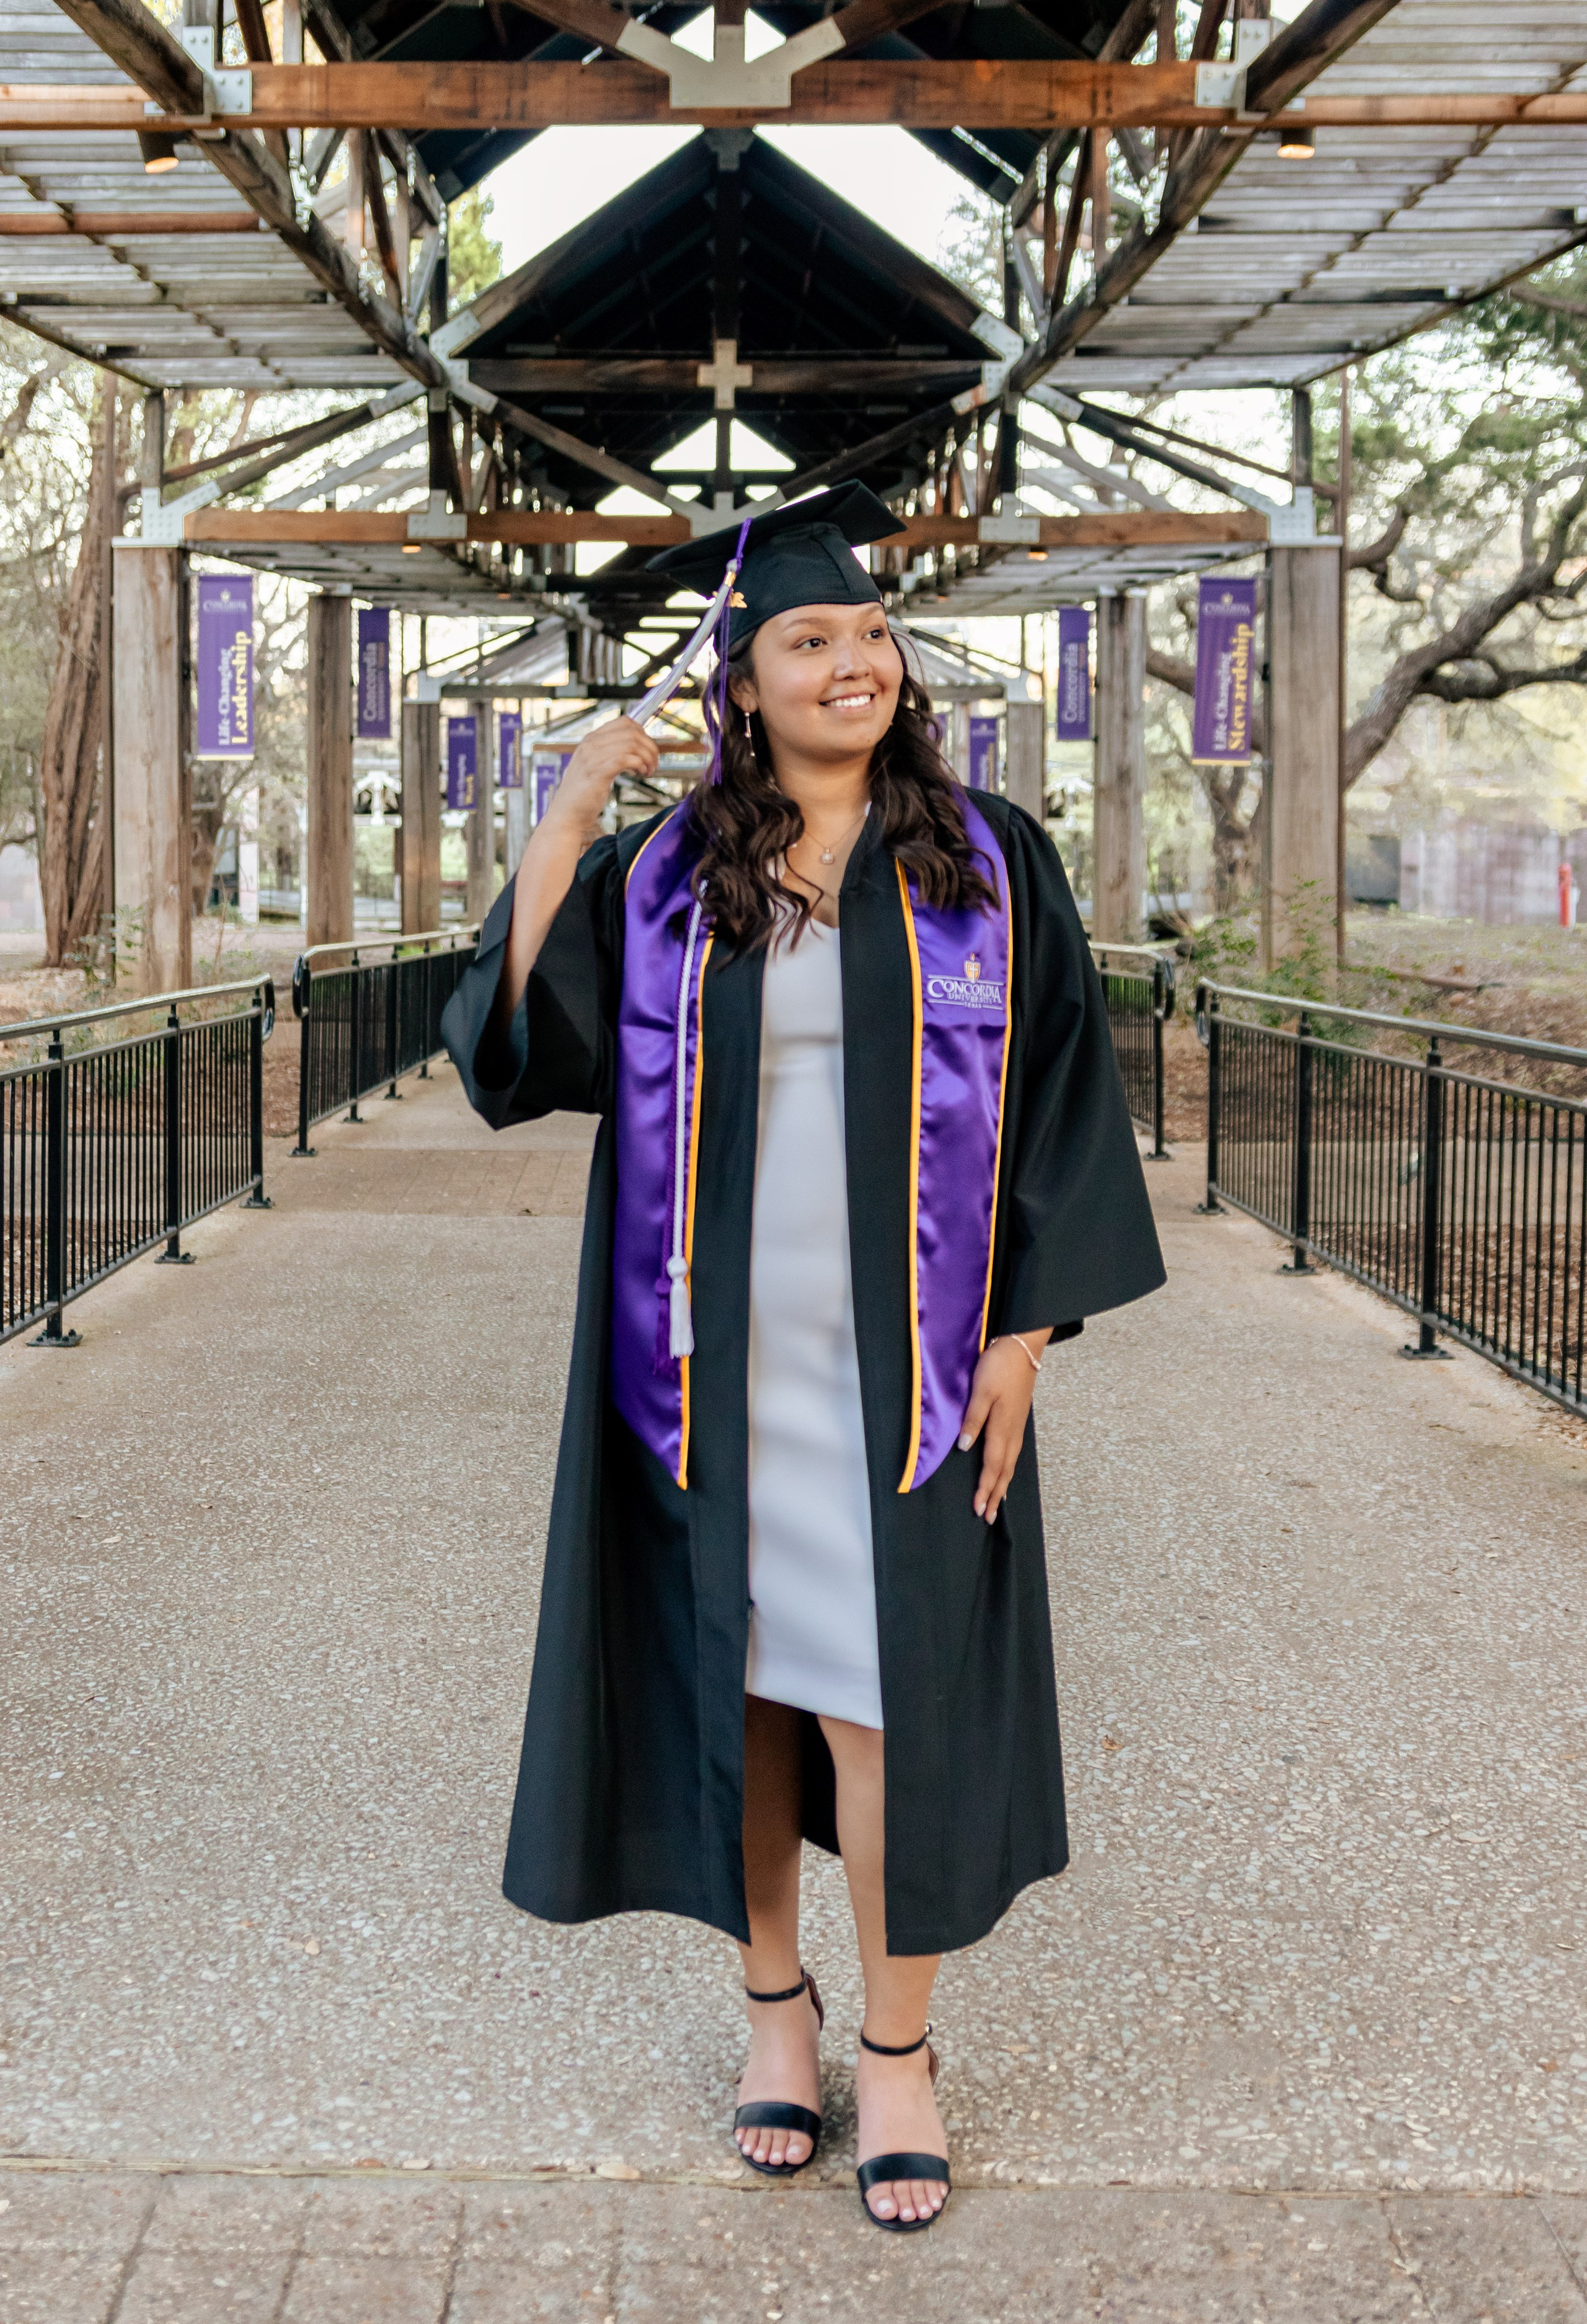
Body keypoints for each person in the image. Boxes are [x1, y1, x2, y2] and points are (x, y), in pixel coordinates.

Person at [443, 482, 1164, 2232]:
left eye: (873, 635)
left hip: (908, 1368)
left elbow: (1065, 1094)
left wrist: (1027, 1331)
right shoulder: (668, 875)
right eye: (811, 639)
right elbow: (512, 1049)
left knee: (885, 1696)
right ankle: (778, 2009)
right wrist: (569, 812)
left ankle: (900, 2047)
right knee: (748, 1693)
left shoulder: (987, 860)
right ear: (744, 681)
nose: (857, 662)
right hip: (709, 1367)